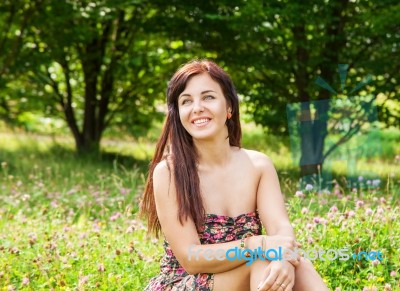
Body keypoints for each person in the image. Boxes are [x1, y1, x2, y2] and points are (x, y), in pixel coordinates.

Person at [140, 59, 329, 291]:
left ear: (229, 107)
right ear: (178, 113)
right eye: (186, 101)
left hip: (248, 274)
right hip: (185, 283)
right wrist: (256, 244)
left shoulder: (258, 165)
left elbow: (281, 227)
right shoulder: (169, 173)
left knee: (298, 264)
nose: (197, 107)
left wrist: (284, 258)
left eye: (208, 97)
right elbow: (191, 259)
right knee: (259, 260)